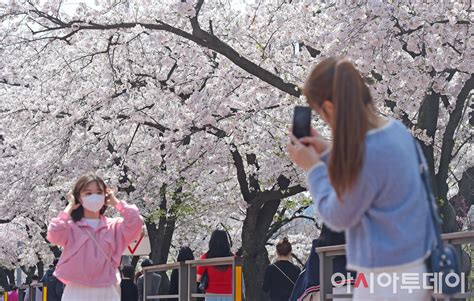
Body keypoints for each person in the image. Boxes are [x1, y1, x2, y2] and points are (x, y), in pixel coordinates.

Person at [287, 57, 436, 301]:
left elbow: (338, 215)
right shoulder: (395, 131)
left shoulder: (368, 150)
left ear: (331, 108)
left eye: (320, 113)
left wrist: (313, 168)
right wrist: (326, 152)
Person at [47, 173, 144, 301]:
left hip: (106, 292)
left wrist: (116, 203)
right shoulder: (71, 227)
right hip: (76, 292)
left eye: (99, 192)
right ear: (79, 198)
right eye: (88, 193)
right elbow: (54, 233)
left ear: (105, 195)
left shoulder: (114, 227)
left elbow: (135, 222)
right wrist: (70, 206)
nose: (94, 197)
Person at [197, 230, 234, 301]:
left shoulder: (206, 257)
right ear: (226, 242)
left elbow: (198, 278)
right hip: (230, 294)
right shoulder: (233, 258)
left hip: (211, 294)